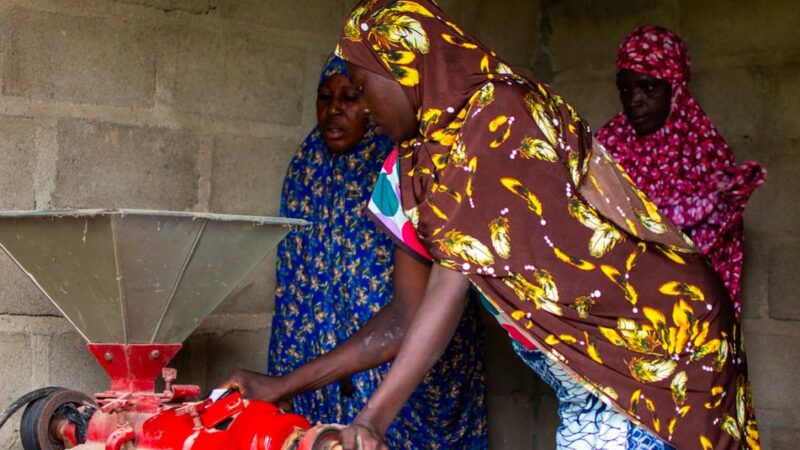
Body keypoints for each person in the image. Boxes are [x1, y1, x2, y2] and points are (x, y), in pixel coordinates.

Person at [326, 1, 760, 449]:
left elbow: (453, 274)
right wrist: (283, 386)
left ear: (403, 64)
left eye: (360, 85)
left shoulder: (497, 112)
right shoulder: (425, 159)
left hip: (657, 345)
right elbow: (407, 310)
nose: (360, 104)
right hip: (587, 374)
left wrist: (373, 419)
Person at [227, 55, 488, 449]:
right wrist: (289, 381)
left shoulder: (424, 165)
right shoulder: (310, 166)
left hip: (403, 357)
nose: (341, 108)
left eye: (354, 95)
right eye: (326, 96)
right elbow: (300, 286)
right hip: (345, 352)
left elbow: (416, 309)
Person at [596, 26, 766, 316]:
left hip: (684, 312)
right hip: (620, 308)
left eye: (648, 87)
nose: (633, 100)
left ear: (675, 86)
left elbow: (712, 254)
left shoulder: (704, 150)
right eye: (624, 89)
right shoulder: (608, 145)